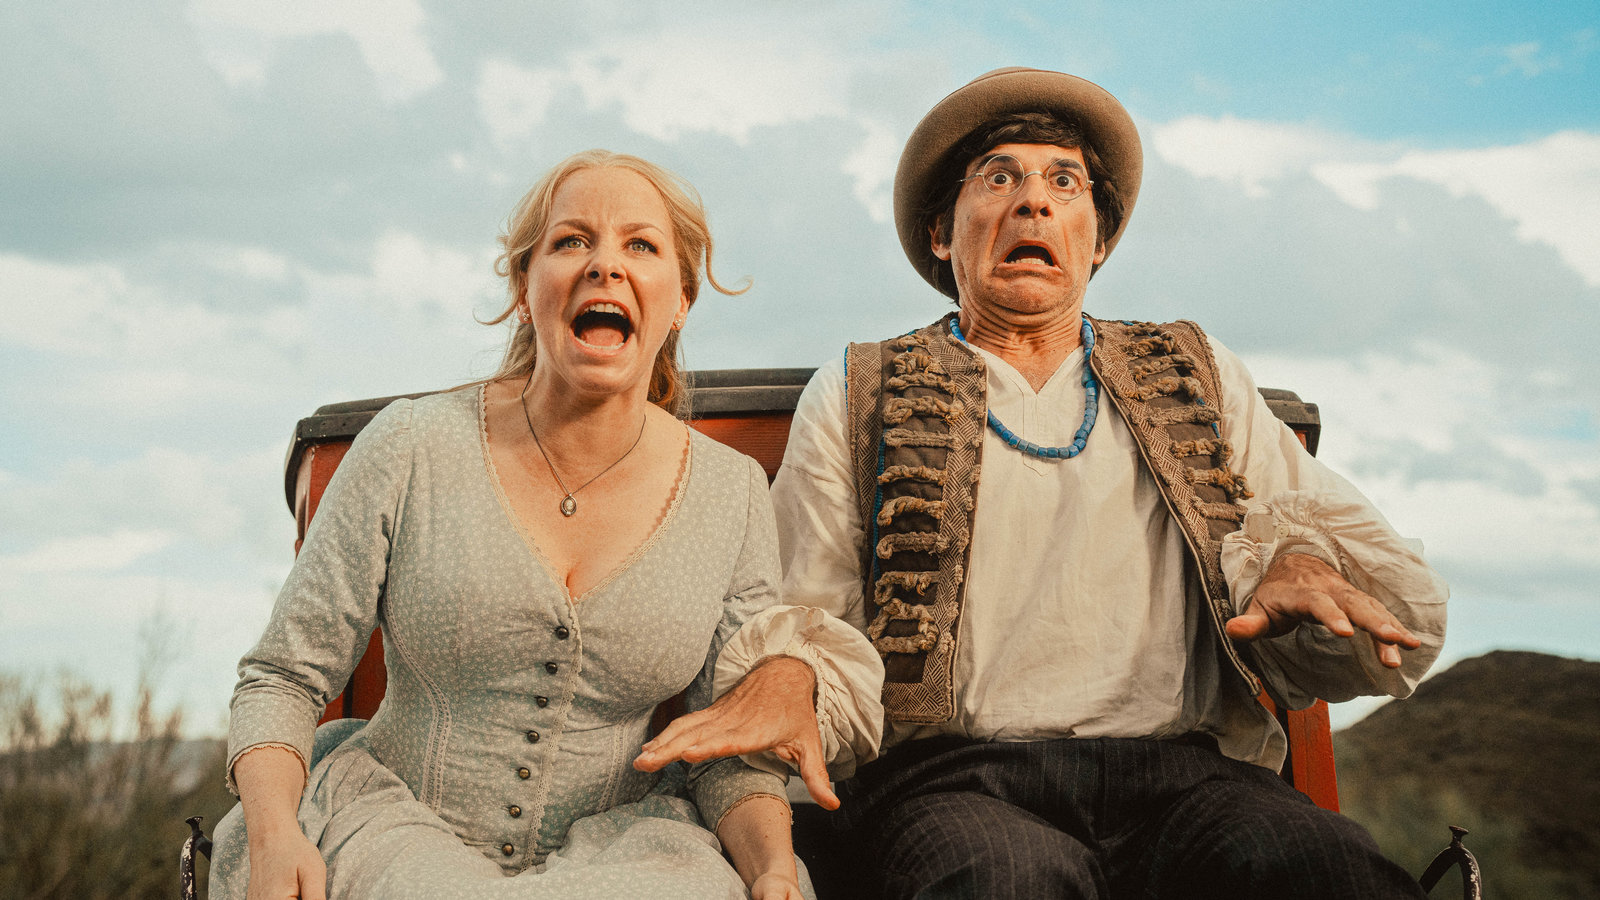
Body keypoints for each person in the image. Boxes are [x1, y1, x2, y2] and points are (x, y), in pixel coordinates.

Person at [772, 68, 1449, 899]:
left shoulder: (1196, 371)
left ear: (1097, 240)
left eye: (1065, 182)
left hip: (1188, 780)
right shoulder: (859, 387)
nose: (1034, 201)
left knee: (1324, 868)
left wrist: (1299, 559)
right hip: (955, 781)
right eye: (999, 178)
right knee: (1000, 882)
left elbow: (1335, 555)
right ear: (942, 233)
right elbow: (807, 614)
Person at [208, 149, 884, 900]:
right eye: (571, 241)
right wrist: (275, 834)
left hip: (629, 854)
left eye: (641, 245)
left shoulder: (733, 493)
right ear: (524, 291)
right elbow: (283, 675)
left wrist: (772, 870)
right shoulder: (410, 446)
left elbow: (725, 747)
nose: (605, 265)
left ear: (681, 300)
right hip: (390, 828)